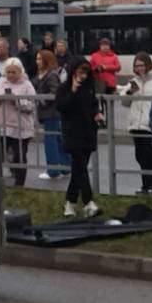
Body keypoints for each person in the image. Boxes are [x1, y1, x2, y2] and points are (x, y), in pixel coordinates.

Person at [56, 56, 104, 218]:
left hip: (88, 132)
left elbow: (92, 105)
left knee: (78, 169)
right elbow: (62, 107)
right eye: (79, 72)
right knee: (81, 168)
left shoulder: (89, 88)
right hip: (72, 132)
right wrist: (73, 91)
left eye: (85, 72)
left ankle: (70, 202)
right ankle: (89, 201)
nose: (82, 76)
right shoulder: (64, 88)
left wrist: (97, 113)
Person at [120, 51, 152, 197]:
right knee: (140, 157)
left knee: (151, 157)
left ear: (148, 65)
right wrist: (130, 92)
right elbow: (123, 102)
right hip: (135, 125)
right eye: (136, 66)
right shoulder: (133, 82)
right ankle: (146, 185)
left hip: (150, 126)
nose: (139, 68)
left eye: (142, 65)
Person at [0, 59, 37, 187]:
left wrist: (16, 101)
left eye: (14, 72)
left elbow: (32, 106)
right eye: (8, 72)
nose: (11, 75)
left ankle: (19, 184)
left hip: (21, 128)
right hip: (2, 126)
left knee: (20, 157)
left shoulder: (27, 85)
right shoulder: (0, 83)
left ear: (20, 71)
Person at [33, 48, 65, 180]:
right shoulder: (41, 73)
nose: (37, 62)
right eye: (37, 59)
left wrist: (43, 99)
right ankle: (65, 165)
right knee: (57, 139)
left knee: (50, 140)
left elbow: (55, 92)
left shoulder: (51, 75)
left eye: (40, 59)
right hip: (47, 112)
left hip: (51, 112)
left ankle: (53, 170)